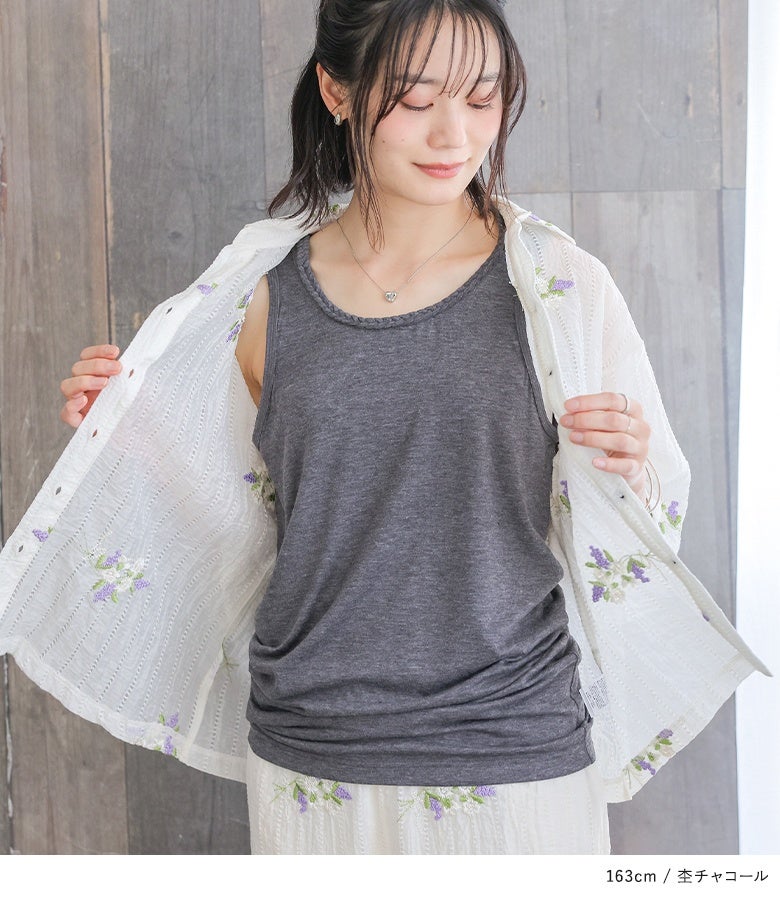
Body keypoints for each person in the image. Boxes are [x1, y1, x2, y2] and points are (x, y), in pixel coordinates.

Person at [0, 0, 769, 855]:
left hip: (512, 752)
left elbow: (644, 520)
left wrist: (624, 469)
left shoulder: (560, 290)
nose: (454, 134)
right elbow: (241, 527)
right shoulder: (259, 295)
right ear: (337, 90)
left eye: (481, 98)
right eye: (415, 98)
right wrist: (135, 439)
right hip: (308, 759)